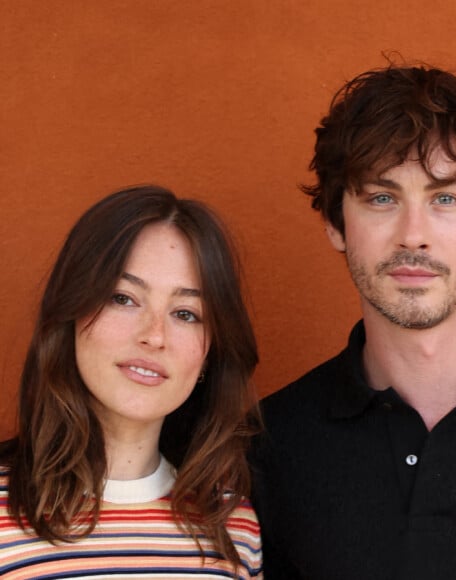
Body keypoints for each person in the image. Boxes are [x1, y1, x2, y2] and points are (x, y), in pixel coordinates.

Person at [250, 62, 456, 579]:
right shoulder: (271, 443)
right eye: (381, 198)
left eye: (445, 198)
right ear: (337, 224)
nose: (412, 235)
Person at [0, 185, 263, 578]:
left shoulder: (232, 523)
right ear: (70, 314)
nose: (154, 335)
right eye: (124, 298)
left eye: (186, 313)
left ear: (210, 352)